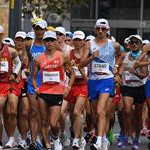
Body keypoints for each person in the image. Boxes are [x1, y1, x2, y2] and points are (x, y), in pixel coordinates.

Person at [79, 18, 121, 150]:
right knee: (95, 115)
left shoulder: (114, 45)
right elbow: (81, 64)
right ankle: (101, 137)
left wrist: (117, 66)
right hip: (93, 81)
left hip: (107, 80)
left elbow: (121, 55)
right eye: (98, 28)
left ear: (108, 30)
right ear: (95, 30)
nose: (100, 31)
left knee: (101, 111)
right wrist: (92, 56)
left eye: (103, 29)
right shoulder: (89, 45)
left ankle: (99, 140)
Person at [32, 31, 75, 150]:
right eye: (47, 40)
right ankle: (47, 145)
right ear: (44, 42)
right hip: (43, 93)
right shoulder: (38, 59)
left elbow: (72, 74)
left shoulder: (63, 56)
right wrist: (36, 87)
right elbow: (34, 78)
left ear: (55, 41)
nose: (49, 42)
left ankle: (56, 138)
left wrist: (68, 87)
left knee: (53, 123)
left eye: (52, 40)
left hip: (57, 92)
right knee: (44, 121)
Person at [118, 35, 148, 149]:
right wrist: (119, 76)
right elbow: (121, 68)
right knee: (127, 110)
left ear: (140, 44)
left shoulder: (143, 57)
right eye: (132, 42)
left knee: (138, 115)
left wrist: (134, 72)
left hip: (139, 87)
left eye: (136, 42)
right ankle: (126, 136)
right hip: (127, 87)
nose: (134, 44)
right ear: (129, 44)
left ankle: (136, 139)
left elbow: (145, 75)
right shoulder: (125, 55)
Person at [65, 31, 87, 149]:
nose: (77, 42)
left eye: (80, 40)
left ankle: (76, 140)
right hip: (72, 85)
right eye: (76, 40)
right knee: (74, 116)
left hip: (84, 86)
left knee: (76, 112)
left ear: (84, 41)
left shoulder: (87, 54)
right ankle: (80, 137)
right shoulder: (68, 55)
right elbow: (63, 69)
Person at [27, 19, 47, 150]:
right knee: (33, 112)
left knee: (43, 114)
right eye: (36, 28)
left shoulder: (50, 45)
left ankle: (42, 136)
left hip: (47, 83)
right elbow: (27, 61)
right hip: (32, 82)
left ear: (45, 30)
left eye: (41, 29)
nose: (38, 31)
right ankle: (34, 141)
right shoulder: (29, 44)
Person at [0, 25, 21, 149]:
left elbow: (17, 63)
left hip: (9, 84)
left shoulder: (11, 51)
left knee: (12, 112)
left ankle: (11, 138)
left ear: (2, 36)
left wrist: (14, 73)